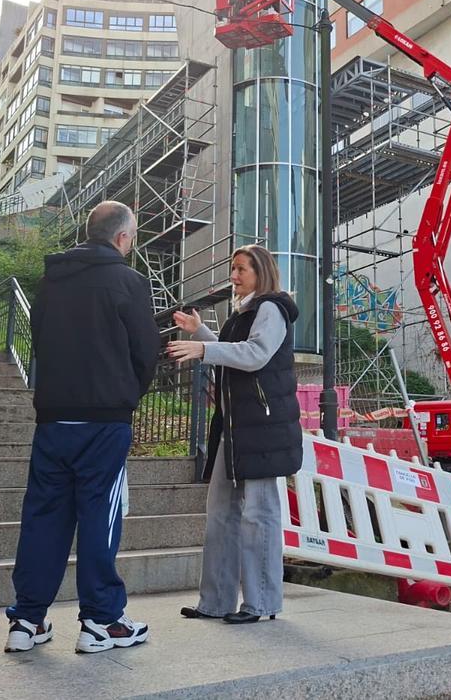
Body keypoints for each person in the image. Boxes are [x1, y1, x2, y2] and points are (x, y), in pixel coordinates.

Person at [3, 200, 161, 654]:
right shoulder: (129, 282)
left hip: (54, 417)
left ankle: (27, 620)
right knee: (99, 516)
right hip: (104, 420)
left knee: (43, 517)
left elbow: (39, 339)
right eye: (132, 238)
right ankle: (102, 620)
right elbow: (146, 350)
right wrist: (125, 394)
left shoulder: (51, 281)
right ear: (123, 237)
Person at [167, 244, 302, 625]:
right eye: (233, 268)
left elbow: (255, 354)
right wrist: (201, 332)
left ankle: (261, 604)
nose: (234, 275)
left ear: (261, 272)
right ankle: (215, 602)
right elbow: (236, 352)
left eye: (241, 269)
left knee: (259, 515)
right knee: (221, 514)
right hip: (237, 427)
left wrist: (202, 347)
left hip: (261, 429)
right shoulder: (246, 311)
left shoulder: (270, 308)